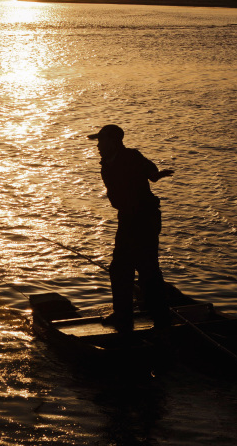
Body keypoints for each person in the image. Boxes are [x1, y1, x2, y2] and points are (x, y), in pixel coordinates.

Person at [88, 124, 173, 335]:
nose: (98, 146)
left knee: (146, 269)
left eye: (101, 141)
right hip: (127, 218)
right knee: (121, 268)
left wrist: (156, 175)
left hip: (144, 218)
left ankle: (161, 317)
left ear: (114, 142)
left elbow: (151, 171)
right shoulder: (107, 163)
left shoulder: (132, 156)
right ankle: (124, 314)